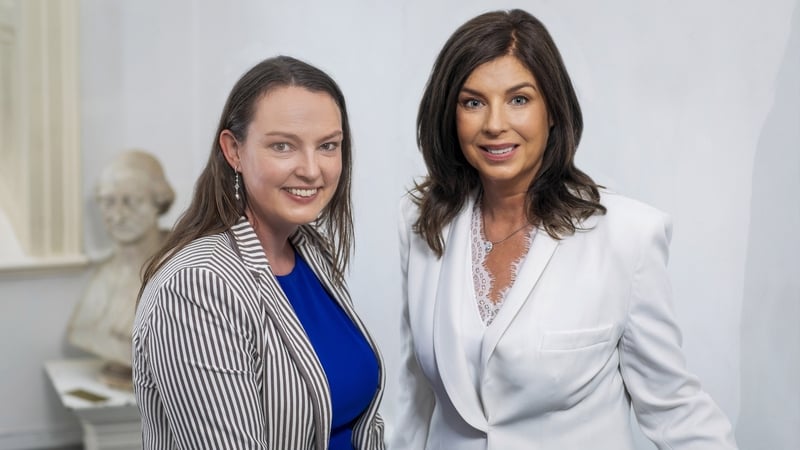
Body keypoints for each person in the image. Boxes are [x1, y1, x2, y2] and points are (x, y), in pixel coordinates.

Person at [394, 9, 738, 449]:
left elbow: (674, 408)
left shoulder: (627, 237)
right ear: (451, 114)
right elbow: (415, 398)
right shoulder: (422, 223)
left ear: (553, 110)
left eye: (519, 99)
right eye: (473, 102)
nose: (495, 123)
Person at [133, 56, 385, 449]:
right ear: (233, 150)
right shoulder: (196, 286)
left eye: (328, 146)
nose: (311, 169)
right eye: (283, 146)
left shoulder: (312, 253)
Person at [67, 150, 174, 388]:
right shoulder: (101, 280)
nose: (117, 215)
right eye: (108, 202)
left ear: (159, 203)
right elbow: (84, 331)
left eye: (131, 201)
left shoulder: (180, 274)